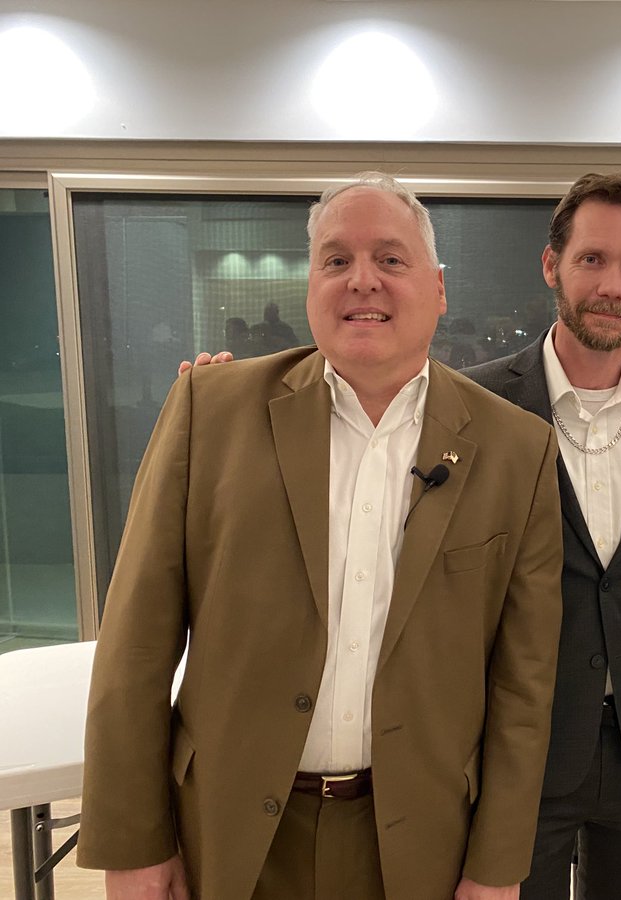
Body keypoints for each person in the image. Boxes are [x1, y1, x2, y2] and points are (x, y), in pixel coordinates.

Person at [77, 173, 565, 900]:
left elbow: (523, 688)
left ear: (438, 289)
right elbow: (134, 650)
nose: (361, 280)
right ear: (311, 285)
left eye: (390, 260)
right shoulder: (209, 413)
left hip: (421, 842)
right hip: (231, 833)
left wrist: (495, 871)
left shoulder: (518, 451)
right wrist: (134, 844)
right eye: (336, 260)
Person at [464, 173, 621, 900]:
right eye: (593, 259)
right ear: (552, 265)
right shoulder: (475, 402)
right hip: (519, 748)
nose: (613, 285)